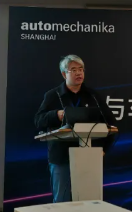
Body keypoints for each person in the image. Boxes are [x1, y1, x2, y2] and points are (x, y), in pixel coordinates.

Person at [34, 55, 117, 203]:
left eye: (81, 69)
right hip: (61, 157)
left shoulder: (93, 96)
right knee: (62, 201)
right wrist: (57, 115)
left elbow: (111, 125)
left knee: (89, 201)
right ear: (64, 74)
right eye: (73, 70)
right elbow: (38, 120)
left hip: (88, 156)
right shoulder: (53, 95)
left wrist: (104, 149)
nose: (79, 73)